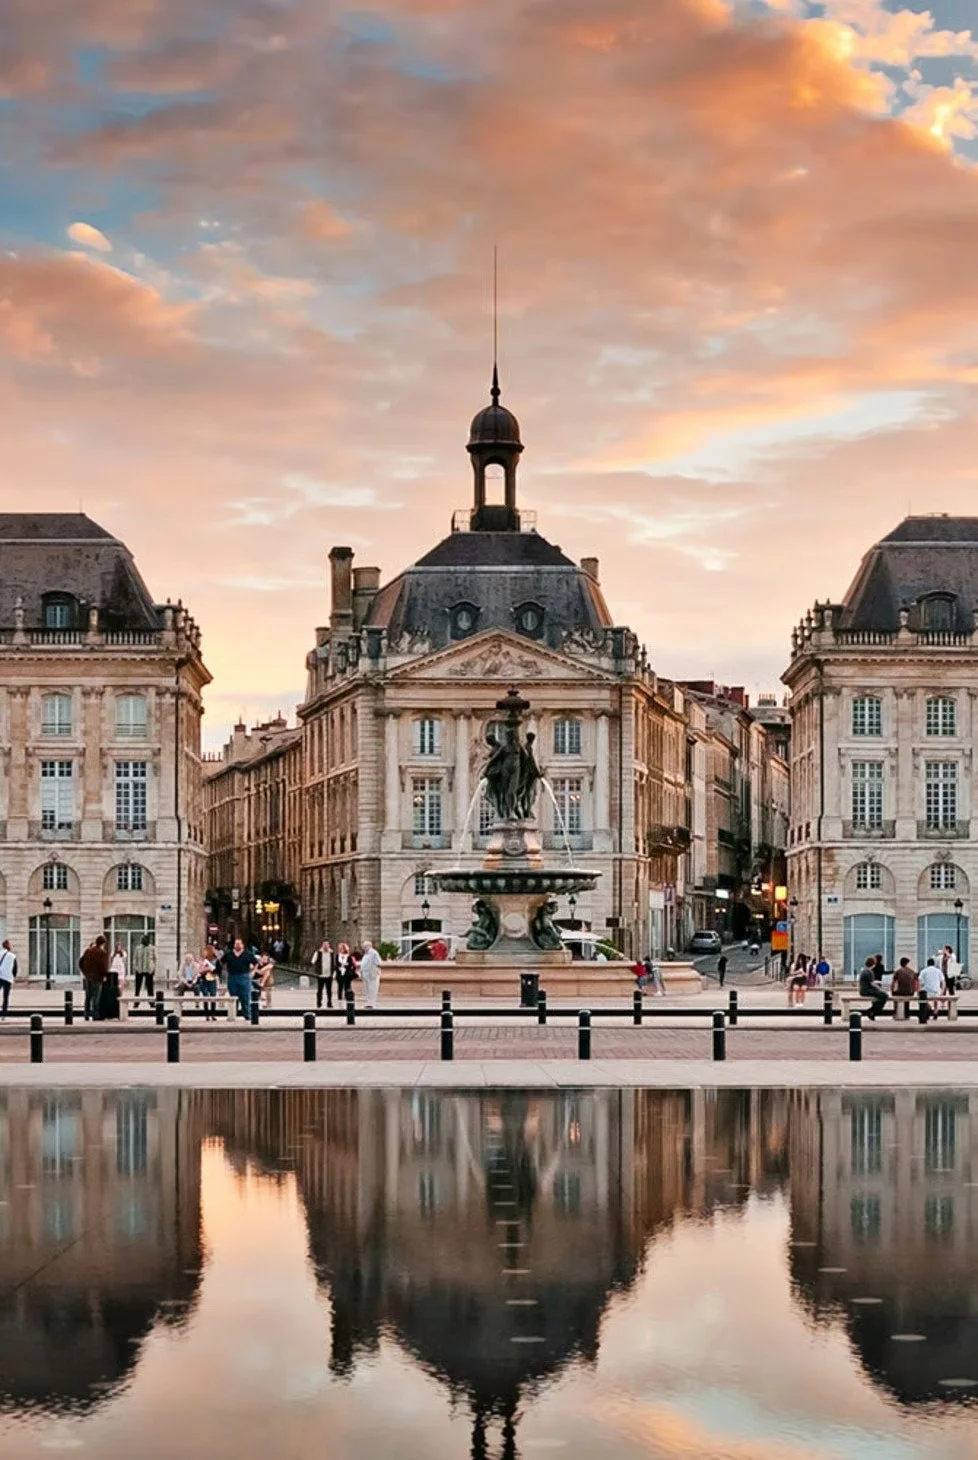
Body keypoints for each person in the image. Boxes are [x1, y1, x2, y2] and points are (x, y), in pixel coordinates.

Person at [223, 937, 259, 1019]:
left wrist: (253, 971)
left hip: (244, 976)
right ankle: (233, 1015)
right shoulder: (229, 953)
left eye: (239, 944)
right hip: (232, 977)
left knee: (245, 996)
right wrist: (225, 972)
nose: (237, 945)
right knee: (233, 996)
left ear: (242, 945)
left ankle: (247, 1015)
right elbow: (222, 962)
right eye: (236, 944)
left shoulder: (248, 953)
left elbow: (256, 963)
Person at [80, 935, 110, 1021]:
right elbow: (103, 967)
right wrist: (104, 975)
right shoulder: (102, 953)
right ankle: (95, 1015)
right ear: (103, 943)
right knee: (96, 997)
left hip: (88, 977)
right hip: (97, 978)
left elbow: (80, 962)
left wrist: (85, 972)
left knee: (88, 996)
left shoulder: (88, 951)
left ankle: (86, 1015)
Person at [858, 955, 888, 1020]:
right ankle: (872, 1011)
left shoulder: (864, 970)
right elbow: (872, 983)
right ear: (873, 964)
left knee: (880, 996)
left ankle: (872, 1011)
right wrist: (880, 989)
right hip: (867, 990)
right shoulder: (869, 971)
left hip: (863, 990)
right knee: (885, 995)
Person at [103, 944, 126, 1021]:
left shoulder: (123, 953)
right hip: (114, 970)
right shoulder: (113, 953)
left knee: (121, 985)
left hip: (121, 971)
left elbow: (124, 959)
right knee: (116, 985)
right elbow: (111, 960)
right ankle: (117, 997)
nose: (118, 948)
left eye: (120, 947)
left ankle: (121, 997)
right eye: (117, 947)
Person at [918, 956, 945, 1023]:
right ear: (934, 964)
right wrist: (942, 991)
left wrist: (918, 990)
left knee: (924, 999)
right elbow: (943, 982)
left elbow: (920, 982)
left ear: (927, 964)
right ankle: (935, 1011)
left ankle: (928, 1008)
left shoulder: (923, 971)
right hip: (937, 991)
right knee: (935, 1001)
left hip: (926, 991)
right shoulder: (938, 971)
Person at [132, 934, 156, 1007]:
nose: (143, 940)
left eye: (145, 939)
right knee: (137, 987)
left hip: (149, 970)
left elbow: (155, 958)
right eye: (142, 939)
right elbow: (135, 958)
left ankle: (151, 1002)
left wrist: (153, 968)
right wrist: (135, 967)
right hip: (139, 969)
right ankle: (136, 1002)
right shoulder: (138, 948)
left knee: (150, 987)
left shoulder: (152, 948)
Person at [197, 945, 219, 1021]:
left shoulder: (216, 960)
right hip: (204, 979)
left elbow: (218, 970)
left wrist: (212, 970)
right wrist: (205, 970)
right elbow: (199, 970)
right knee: (205, 996)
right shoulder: (202, 960)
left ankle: (213, 1014)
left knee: (213, 996)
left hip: (212, 979)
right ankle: (206, 1014)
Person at [311, 939, 334, 1009]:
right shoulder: (318, 952)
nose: (326, 946)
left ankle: (329, 1003)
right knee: (320, 990)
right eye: (324, 945)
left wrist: (333, 972)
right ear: (322, 945)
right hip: (321, 974)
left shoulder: (331, 952)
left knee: (329, 990)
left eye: (327, 944)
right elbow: (313, 961)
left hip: (329, 974)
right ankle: (319, 1003)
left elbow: (333, 963)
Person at [360, 939, 382, 1009]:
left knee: (372, 989)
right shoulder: (366, 954)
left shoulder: (374, 953)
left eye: (364, 947)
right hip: (366, 974)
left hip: (372, 974)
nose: (363, 948)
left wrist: (376, 971)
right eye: (363, 947)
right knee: (367, 989)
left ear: (369, 946)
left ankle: (371, 1003)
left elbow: (379, 963)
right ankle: (368, 1002)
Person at [0, 940, 16, 1019]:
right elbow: (15, 968)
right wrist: (13, 976)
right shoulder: (12, 956)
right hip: (8, 978)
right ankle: (4, 1014)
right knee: (5, 997)